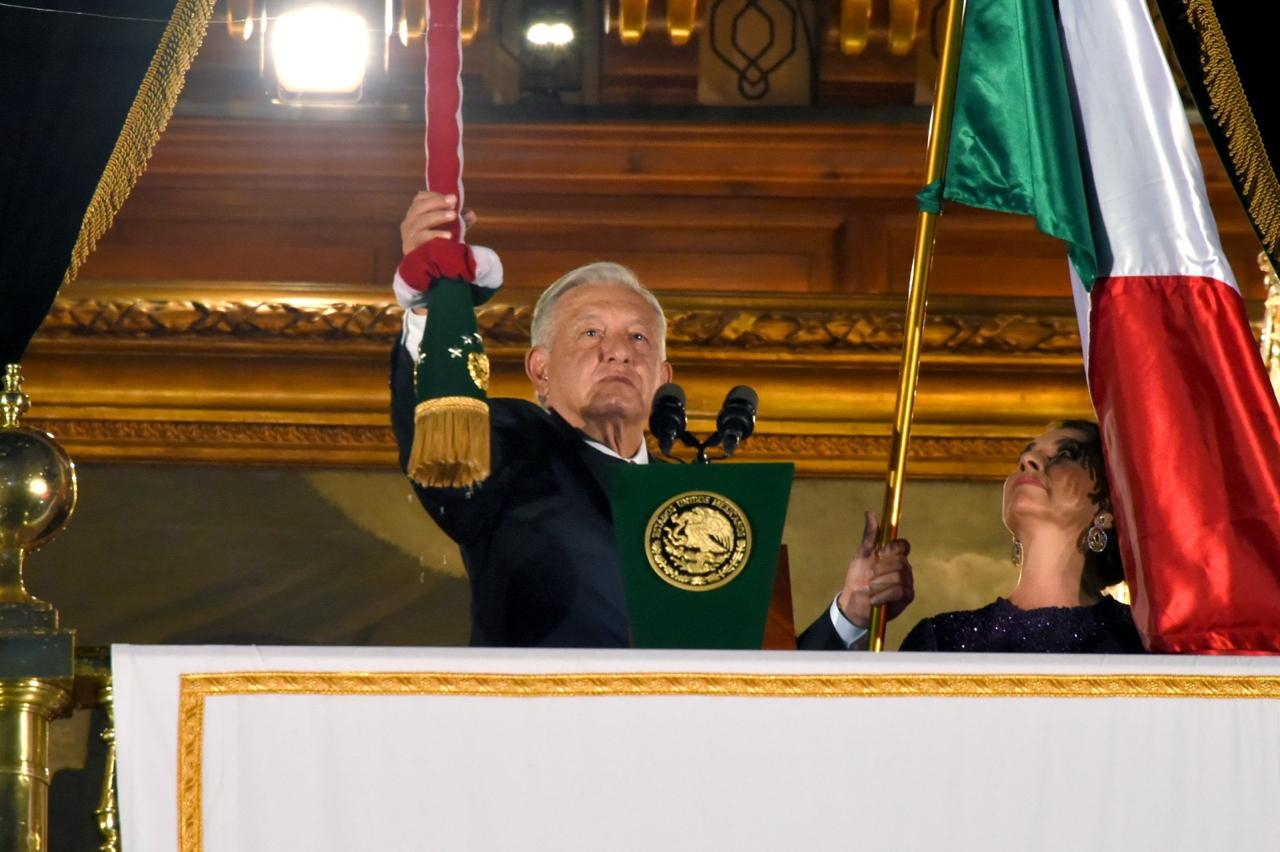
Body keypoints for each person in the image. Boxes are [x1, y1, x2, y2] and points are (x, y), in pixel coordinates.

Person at [390, 191, 915, 648]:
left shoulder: (699, 503)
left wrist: (850, 613)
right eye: (591, 334)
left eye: (637, 337)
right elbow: (440, 447)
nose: (618, 352)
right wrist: (432, 307)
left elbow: (750, 679)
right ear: (540, 369)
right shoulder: (516, 444)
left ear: (661, 375)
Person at [900, 420, 1144, 653]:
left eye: (1065, 455)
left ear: (1108, 506)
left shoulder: (1141, 640)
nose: (1029, 460)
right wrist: (861, 618)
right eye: (1024, 456)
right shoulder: (942, 641)